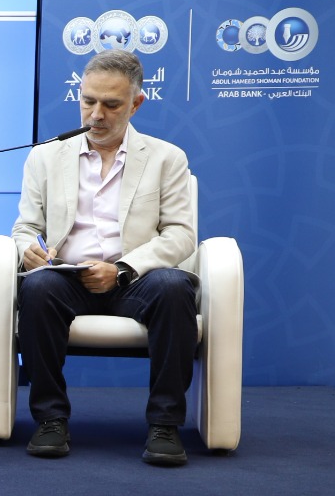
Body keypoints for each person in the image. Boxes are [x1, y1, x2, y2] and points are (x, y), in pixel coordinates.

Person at [13, 50, 198, 466]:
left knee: (174, 288)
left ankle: (165, 424)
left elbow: (181, 234)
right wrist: (28, 249)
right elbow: (25, 227)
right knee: (38, 287)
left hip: (136, 279)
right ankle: (50, 419)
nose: (96, 114)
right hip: (67, 278)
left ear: (136, 104)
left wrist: (121, 270)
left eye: (111, 104)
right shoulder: (46, 156)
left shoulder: (166, 158)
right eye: (88, 101)